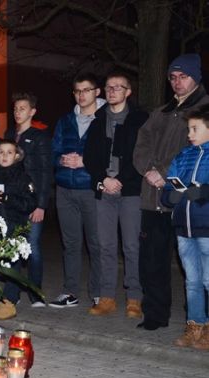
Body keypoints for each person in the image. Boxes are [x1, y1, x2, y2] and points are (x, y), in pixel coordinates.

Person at [133, 53, 209, 330]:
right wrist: (149, 170)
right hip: (153, 198)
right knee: (151, 260)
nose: (177, 82)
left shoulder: (203, 109)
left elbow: (192, 150)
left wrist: (163, 173)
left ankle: (199, 321)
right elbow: (141, 144)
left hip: (186, 201)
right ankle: (155, 315)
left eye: (183, 76)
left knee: (198, 267)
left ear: (196, 77)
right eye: (173, 77)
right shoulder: (161, 111)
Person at [84, 71, 148, 318]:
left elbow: (142, 156)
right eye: (108, 87)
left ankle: (134, 297)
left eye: (117, 87)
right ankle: (107, 297)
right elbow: (90, 156)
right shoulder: (98, 118)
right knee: (105, 246)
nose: (111, 91)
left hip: (130, 191)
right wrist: (103, 179)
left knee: (132, 246)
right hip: (104, 191)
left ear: (128, 92)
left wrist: (120, 180)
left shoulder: (140, 119)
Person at [49, 73, 104, 308]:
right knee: (70, 243)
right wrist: (61, 160)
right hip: (65, 190)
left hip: (91, 189)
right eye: (77, 91)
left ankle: (99, 294)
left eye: (86, 90)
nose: (81, 95)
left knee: (96, 243)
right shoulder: (65, 120)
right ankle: (70, 291)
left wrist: (85, 162)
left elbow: (110, 155)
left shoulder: (105, 118)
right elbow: (52, 152)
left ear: (97, 92)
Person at [161, 105, 209, 350]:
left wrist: (200, 192)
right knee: (192, 281)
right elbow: (168, 190)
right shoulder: (183, 156)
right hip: (183, 228)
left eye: (195, 128)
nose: (189, 134)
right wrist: (172, 197)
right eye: (188, 128)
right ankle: (195, 326)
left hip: (206, 228)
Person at [0, 140, 37, 320]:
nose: (4, 156)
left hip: (13, 226)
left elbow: (29, 203)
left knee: (12, 264)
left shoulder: (22, 177)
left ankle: (9, 301)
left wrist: (8, 198)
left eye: (9, 152)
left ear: (17, 156)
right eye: (1, 152)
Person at [4, 92, 52, 307]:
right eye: (15, 108)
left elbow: (44, 172)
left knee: (32, 246)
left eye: (22, 108)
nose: (17, 112)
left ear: (32, 111)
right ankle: (11, 295)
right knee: (12, 246)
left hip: (32, 201)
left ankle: (35, 293)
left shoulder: (40, 137)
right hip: (12, 200)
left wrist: (41, 204)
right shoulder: (8, 134)